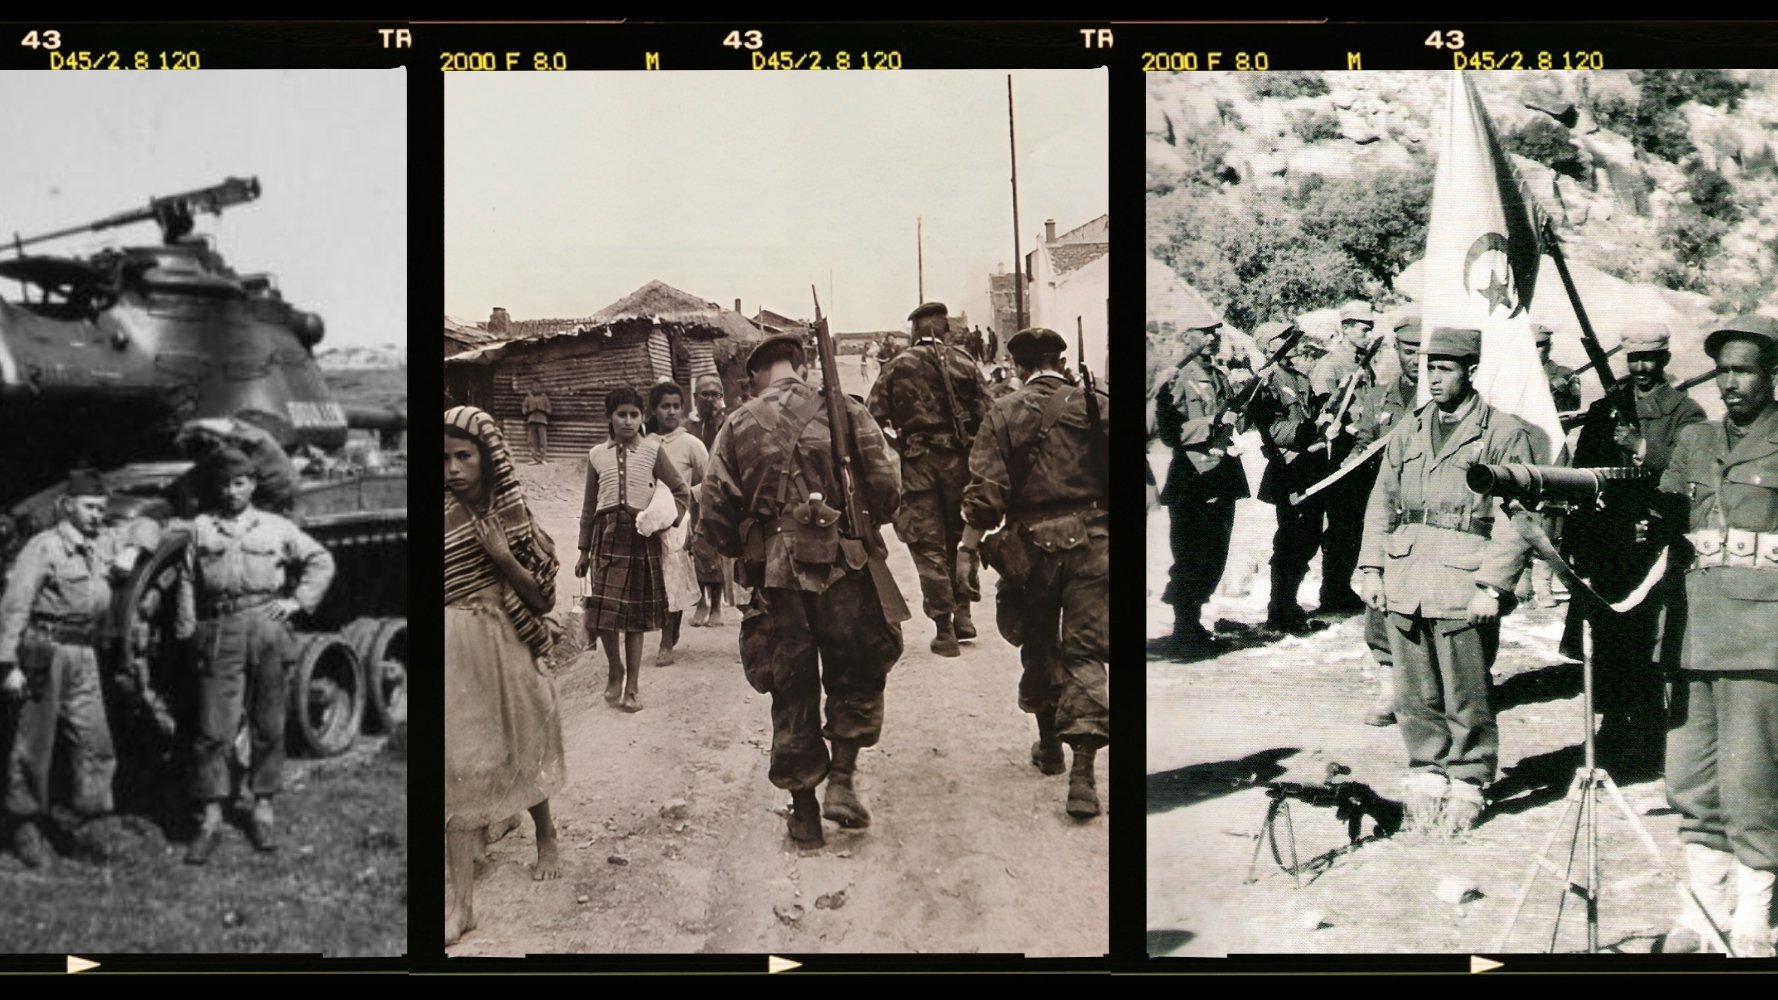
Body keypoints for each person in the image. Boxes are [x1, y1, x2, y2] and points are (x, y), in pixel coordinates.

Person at [698, 334, 905, 847]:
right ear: (803, 365)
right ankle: (842, 780)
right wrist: (857, 517)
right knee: (855, 672)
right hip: (844, 564)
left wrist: (747, 546)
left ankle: (806, 813)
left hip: (775, 574)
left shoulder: (737, 423)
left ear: (755, 377)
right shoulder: (845, 410)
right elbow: (887, 487)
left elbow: (715, 511)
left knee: (791, 689)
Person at [1358, 327, 1536, 835]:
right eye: (1428, 366)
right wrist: (1371, 567)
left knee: (1466, 691)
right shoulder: (1411, 429)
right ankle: (1426, 774)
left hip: (1463, 577)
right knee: (1414, 690)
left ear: (1471, 371)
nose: (1432, 377)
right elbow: (1381, 500)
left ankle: (1469, 780)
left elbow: (1516, 515)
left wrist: (1493, 585)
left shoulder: (1502, 432)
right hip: (1406, 572)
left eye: (1445, 368)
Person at [1653, 315, 1778, 957]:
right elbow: (1666, 519)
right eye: (1723, 370)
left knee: (1753, 782)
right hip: (1692, 628)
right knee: (1691, 778)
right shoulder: (1694, 441)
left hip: (1762, 635)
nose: (1731, 382)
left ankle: (1755, 916)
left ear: (1772, 374)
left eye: (1745, 370)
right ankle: (1701, 913)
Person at [956, 328, 1110, 817]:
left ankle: (1049, 748)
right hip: (1095, 542)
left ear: (1018, 366)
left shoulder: (1004, 411)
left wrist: (967, 549)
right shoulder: (1096, 403)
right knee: (1086, 651)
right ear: (1060, 360)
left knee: (1040, 642)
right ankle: (1084, 775)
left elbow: (986, 492)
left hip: (1033, 548)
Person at [444, 406, 566, 946]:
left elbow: (542, 598)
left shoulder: (512, 517)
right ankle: (462, 905)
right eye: (443, 457)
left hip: (508, 641)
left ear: (488, 459)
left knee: (523, 741)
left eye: (463, 455)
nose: (451, 467)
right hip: (454, 649)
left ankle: (545, 831)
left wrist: (503, 559)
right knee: (459, 761)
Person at [176, 447, 334, 864]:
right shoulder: (202, 528)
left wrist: (297, 603)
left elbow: (321, 560)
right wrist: (188, 633)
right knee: (213, 728)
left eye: (240, 482)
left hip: (265, 625)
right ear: (217, 486)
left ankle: (262, 807)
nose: (232, 491)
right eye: (225, 483)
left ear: (252, 484)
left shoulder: (275, 527)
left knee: (269, 723)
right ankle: (209, 817)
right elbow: (187, 584)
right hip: (219, 630)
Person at [1563, 320, 1707, 772]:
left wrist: (1643, 446)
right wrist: (1577, 536)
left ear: (1664, 359)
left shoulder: (1685, 411)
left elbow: (1692, 471)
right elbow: (1584, 471)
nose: (1641, 367)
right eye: (1634, 359)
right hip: (1608, 540)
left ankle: (1648, 729)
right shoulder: (1607, 407)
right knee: (1604, 635)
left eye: (1650, 359)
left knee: (1651, 639)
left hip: (1656, 540)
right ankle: (1612, 722)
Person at [0, 471, 154, 868]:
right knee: (33, 745)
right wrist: (8, 665)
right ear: (67, 506)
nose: (97, 515)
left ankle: (90, 823)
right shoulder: (44, 547)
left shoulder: (102, 542)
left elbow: (150, 523)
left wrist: (132, 550)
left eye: (102, 509)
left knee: (95, 741)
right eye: (89, 507)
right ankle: (24, 826)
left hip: (84, 654)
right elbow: (15, 605)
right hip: (44, 650)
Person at [866, 302, 990, 657]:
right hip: (961, 464)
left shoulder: (897, 367)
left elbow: (872, 417)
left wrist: (898, 445)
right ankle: (964, 612)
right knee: (962, 538)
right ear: (946, 330)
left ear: (914, 332)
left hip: (918, 464)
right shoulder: (967, 364)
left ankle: (945, 629)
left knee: (927, 545)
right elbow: (990, 416)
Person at [575, 387, 690, 712]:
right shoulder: (597, 455)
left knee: (635, 619)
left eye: (634, 415)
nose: (628, 421)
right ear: (609, 417)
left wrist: (667, 520)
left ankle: (634, 686)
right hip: (606, 537)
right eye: (621, 414)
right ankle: (615, 671)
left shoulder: (652, 451)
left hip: (640, 538)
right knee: (607, 614)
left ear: (643, 417)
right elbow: (588, 507)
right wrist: (584, 550)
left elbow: (682, 491)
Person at [1154, 306, 1246, 657]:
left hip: (1221, 476)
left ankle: (1194, 623)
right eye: (1204, 332)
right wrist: (1212, 423)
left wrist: (1235, 417)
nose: (1212, 338)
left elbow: (1230, 418)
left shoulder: (1218, 375)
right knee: (1191, 555)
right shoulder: (1176, 378)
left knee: (1214, 555)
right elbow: (1167, 432)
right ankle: (1185, 626)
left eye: (1214, 333)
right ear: (1186, 336)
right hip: (1192, 477)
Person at [1349, 311, 1424, 727]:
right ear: (1397, 351)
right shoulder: (1377, 397)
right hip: (1388, 517)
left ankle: (1434, 690)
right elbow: (1362, 446)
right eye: (1408, 351)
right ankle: (1389, 690)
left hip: (1429, 519)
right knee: (1381, 605)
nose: (1416, 359)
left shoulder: (1442, 399)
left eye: (1422, 352)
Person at [1243, 322, 1330, 635]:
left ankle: (1289, 603)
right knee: (1291, 539)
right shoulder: (1267, 380)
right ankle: (1279, 607)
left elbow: (1306, 416)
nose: (1293, 343)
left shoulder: (1298, 377)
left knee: (1308, 537)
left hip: (1310, 467)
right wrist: (1305, 432)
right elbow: (1268, 425)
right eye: (1285, 338)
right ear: (1269, 345)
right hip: (1288, 469)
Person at [1312, 300, 1381, 615]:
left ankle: (1341, 586)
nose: (1368, 334)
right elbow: (1325, 412)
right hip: (1341, 452)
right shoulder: (1333, 364)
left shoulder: (1362, 364)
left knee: (1355, 523)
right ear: (1347, 328)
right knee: (1342, 523)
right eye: (1363, 329)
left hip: (1363, 450)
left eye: (1370, 329)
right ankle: (1332, 589)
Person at [647, 381, 709, 666]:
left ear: (683, 409)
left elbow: (710, 480)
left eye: (675, 406)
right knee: (653, 580)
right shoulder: (644, 441)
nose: (670, 412)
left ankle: (666, 640)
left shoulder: (691, 444)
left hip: (678, 518)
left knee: (672, 576)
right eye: (664, 406)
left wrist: (687, 502)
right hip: (647, 518)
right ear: (653, 409)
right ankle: (666, 631)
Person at [686, 374, 734, 625]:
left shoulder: (728, 425)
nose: (710, 399)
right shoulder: (689, 427)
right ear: (695, 398)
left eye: (715, 394)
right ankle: (700, 602)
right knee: (695, 548)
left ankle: (717, 604)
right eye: (705, 394)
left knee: (716, 548)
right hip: (692, 497)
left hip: (719, 495)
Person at [523, 382, 552, 464]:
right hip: (531, 420)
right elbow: (523, 410)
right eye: (535, 387)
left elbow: (549, 410)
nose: (536, 388)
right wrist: (529, 410)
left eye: (538, 387)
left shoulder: (544, 398)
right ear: (531, 388)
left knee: (543, 440)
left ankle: (543, 458)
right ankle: (534, 458)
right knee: (532, 440)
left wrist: (543, 410)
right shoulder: (528, 398)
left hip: (542, 420)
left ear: (541, 388)